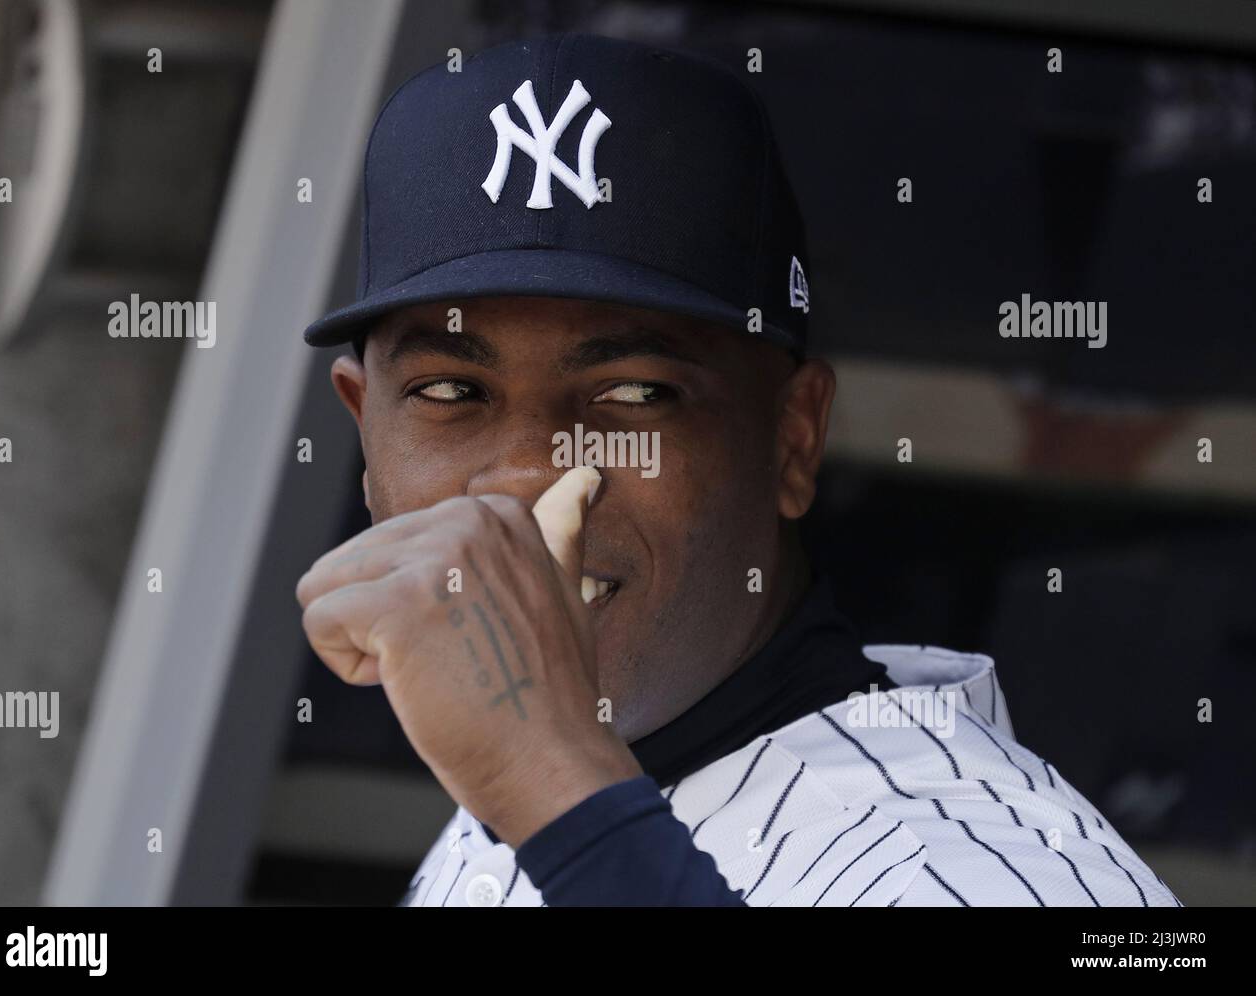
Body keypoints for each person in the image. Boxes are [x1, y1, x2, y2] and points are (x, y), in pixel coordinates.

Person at [295, 32, 1179, 907]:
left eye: (635, 394)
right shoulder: (527, 791)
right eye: (451, 389)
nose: (529, 477)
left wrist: (550, 780)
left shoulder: (978, 871)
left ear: (793, 438)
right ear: (364, 432)